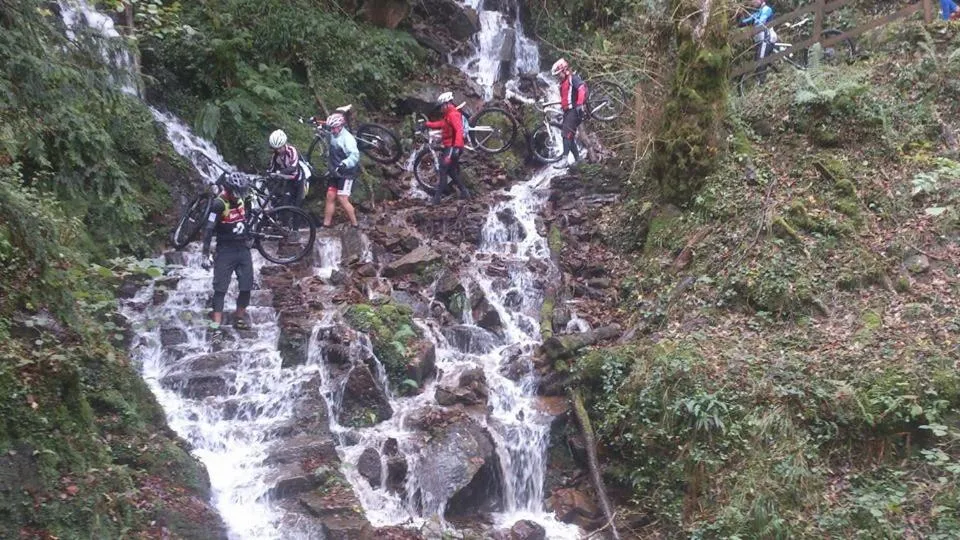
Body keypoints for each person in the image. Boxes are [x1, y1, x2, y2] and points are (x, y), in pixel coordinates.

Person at [201, 172, 253, 331]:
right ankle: (216, 324)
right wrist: (205, 253)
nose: (239, 197)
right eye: (237, 194)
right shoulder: (219, 204)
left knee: (246, 286)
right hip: (225, 250)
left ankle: (238, 317)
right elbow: (209, 229)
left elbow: (249, 215)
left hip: (243, 248)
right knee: (220, 288)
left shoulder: (245, 197)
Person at [422, 92, 470, 204]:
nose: (440, 109)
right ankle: (465, 192)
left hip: (453, 148)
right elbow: (442, 124)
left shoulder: (453, 115)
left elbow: (459, 131)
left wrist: (453, 150)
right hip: (452, 147)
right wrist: (427, 124)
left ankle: (436, 199)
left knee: (443, 170)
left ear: (447, 104)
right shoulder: (449, 114)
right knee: (452, 171)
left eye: (441, 106)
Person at [324, 113, 360, 228]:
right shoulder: (332, 134)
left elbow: (355, 156)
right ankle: (326, 224)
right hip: (335, 170)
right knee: (330, 195)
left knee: (342, 198)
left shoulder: (348, 139)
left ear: (340, 126)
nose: (332, 130)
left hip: (347, 172)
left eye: (334, 128)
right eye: (331, 128)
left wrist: (345, 163)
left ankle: (355, 224)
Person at [551, 58, 587, 169]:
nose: (558, 77)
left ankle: (565, 159)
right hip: (568, 111)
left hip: (575, 110)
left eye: (559, 74)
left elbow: (581, 89)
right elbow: (565, 98)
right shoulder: (563, 83)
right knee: (569, 136)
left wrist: (580, 104)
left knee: (566, 134)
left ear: (565, 70)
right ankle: (578, 160)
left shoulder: (573, 78)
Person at [267, 129, 310, 209]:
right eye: (276, 149)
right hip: (289, 181)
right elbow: (271, 169)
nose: (279, 150)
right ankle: (285, 220)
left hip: (300, 179)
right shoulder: (275, 156)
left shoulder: (291, 150)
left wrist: (279, 172)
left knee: (298, 205)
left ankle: (298, 220)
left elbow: (293, 167)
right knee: (285, 203)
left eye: (280, 148)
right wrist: (270, 175)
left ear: (284, 144)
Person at [739, 0, 777, 84]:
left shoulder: (766, 9)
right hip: (760, 40)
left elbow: (761, 22)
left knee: (761, 60)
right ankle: (779, 73)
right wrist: (740, 16)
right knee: (758, 60)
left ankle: (761, 84)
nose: (753, 2)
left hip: (767, 38)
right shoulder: (757, 13)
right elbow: (744, 22)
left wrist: (754, 22)